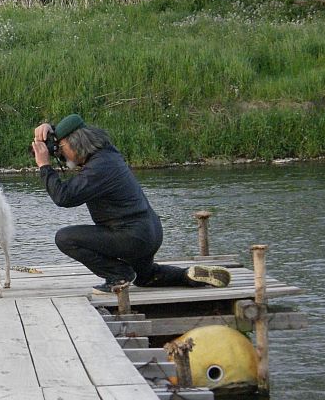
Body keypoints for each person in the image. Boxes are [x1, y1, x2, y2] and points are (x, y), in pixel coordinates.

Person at [30, 113, 231, 294]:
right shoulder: (107, 152)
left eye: (61, 148)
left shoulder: (97, 170)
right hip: (150, 232)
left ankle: (118, 275)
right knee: (146, 277)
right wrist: (49, 129)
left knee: (65, 238)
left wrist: (45, 166)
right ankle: (187, 275)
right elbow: (70, 132)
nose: (61, 155)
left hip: (132, 236)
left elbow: (63, 197)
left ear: (77, 143)